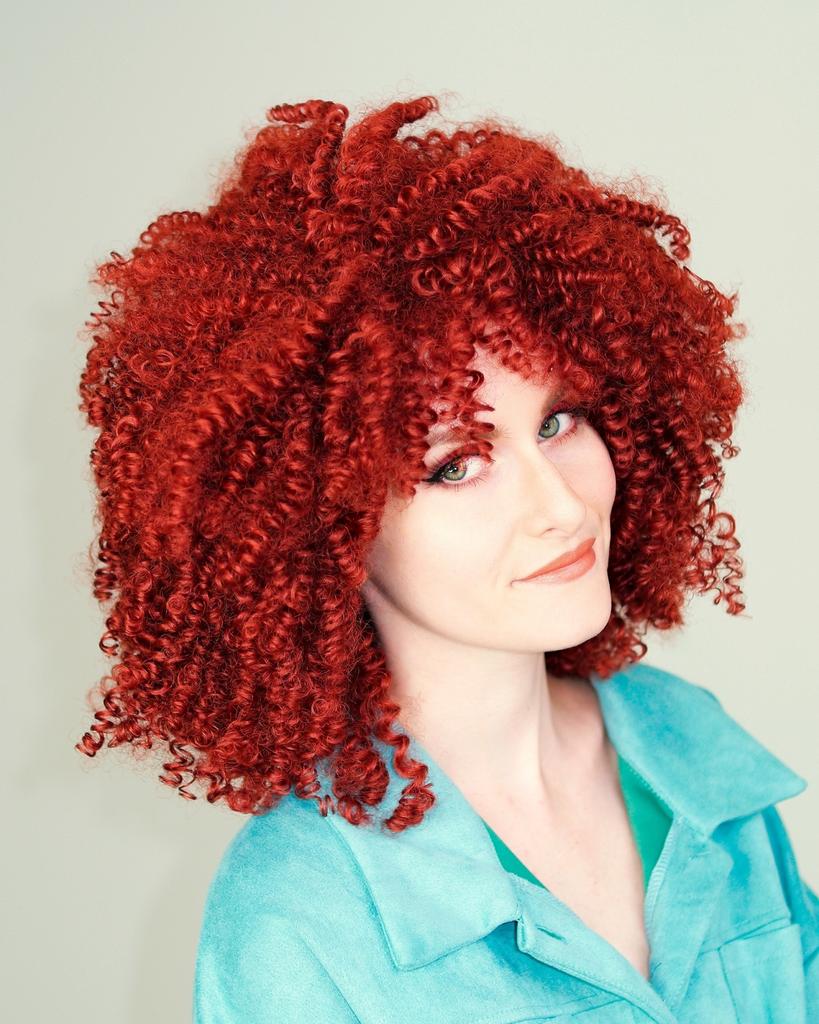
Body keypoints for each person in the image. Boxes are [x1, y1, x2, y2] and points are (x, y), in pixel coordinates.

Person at [75, 94, 818, 1021]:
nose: (561, 507)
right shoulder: (299, 917)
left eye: (557, 421)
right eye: (456, 465)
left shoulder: (690, 751)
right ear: (322, 526)